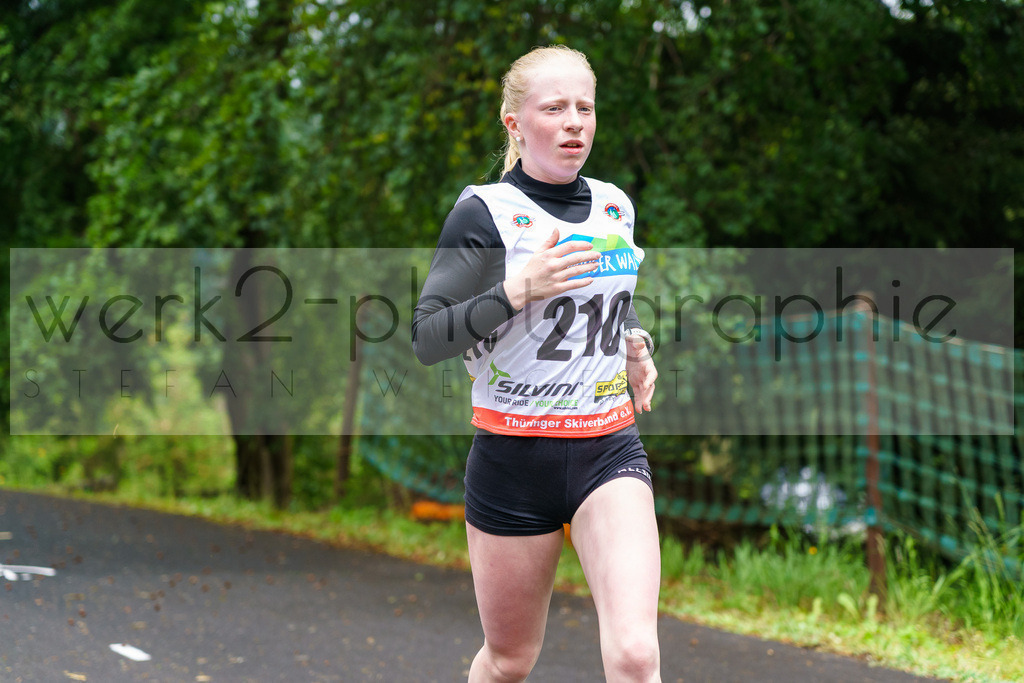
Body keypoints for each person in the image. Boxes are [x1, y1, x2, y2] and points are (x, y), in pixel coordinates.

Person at [412, 45, 661, 683]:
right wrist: (519, 289)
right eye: (555, 108)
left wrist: (635, 344)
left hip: (609, 449)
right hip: (513, 458)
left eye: (586, 107)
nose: (575, 122)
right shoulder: (484, 214)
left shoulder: (615, 206)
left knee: (635, 655)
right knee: (509, 661)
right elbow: (428, 337)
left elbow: (612, 304)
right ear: (515, 124)